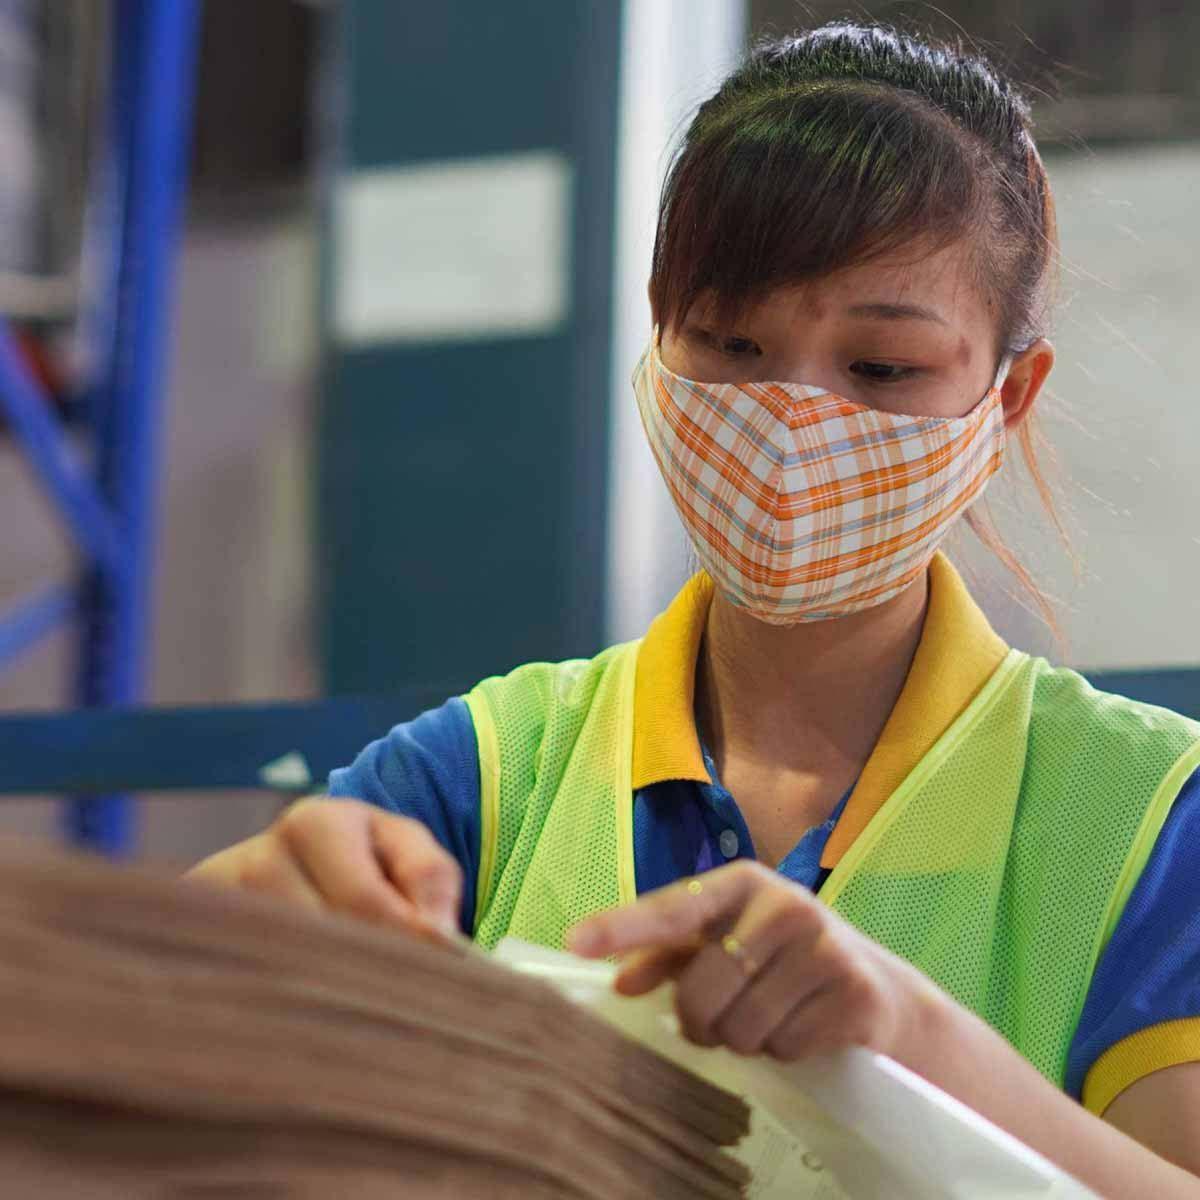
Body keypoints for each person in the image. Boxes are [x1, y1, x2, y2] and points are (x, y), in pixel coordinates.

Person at [192, 23, 1200, 1196]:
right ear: (661, 341)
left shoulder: (1144, 822)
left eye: (881, 370)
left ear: (1010, 393)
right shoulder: (486, 775)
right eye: (730, 343)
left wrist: (919, 1047)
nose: (791, 420)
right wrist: (240, 941)